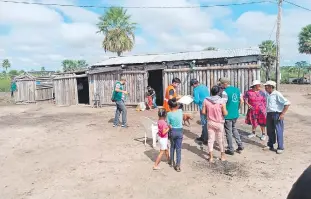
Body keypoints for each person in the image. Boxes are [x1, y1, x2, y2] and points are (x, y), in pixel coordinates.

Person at [263, 80, 290, 154]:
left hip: (277, 114)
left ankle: (280, 147)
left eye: (267, 86)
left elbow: (287, 103)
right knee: (270, 130)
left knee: (279, 130)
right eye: (265, 86)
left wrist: (282, 114)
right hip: (269, 114)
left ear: (271, 87)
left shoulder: (277, 94)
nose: (265, 87)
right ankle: (270, 144)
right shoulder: (267, 94)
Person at [202, 86, 227, 163]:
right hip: (219, 123)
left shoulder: (206, 100)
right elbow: (225, 113)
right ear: (219, 92)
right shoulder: (221, 101)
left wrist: (209, 113)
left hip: (210, 122)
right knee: (220, 140)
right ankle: (222, 156)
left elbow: (203, 112)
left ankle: (211, 157)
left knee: (210, 140)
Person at [220, 77, 244, 155]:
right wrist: (237, 108)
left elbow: (223, 104)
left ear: (225, 84)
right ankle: (240, 145)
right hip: (235, 114)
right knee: (234, 129)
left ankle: (230, 149)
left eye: (221, 84)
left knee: (228, 132)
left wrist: (222, 113)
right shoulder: (237, 89)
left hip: (228, 115)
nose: (221, 85)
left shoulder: (225, 92)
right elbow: (242, 101)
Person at [190, 78, 210, 145]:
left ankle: (206, 139)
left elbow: (197, 101)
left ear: (193, 84)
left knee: (204, 123)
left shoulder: (196, 89)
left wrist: (192, 98)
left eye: (192, 85)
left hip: (203, 107)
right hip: (209, 106)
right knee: (206, 122)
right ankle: (202, 136)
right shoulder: (204, 86)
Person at [167, 98, 183, 172]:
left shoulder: (169, 114)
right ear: (176, 105)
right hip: (179, 131)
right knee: (179, 149)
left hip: (172, 131)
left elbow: (168, 124)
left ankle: (171, 162)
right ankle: (178, 165)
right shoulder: (180, 111)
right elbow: (180, 105)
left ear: (169, 107)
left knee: (172, 147)